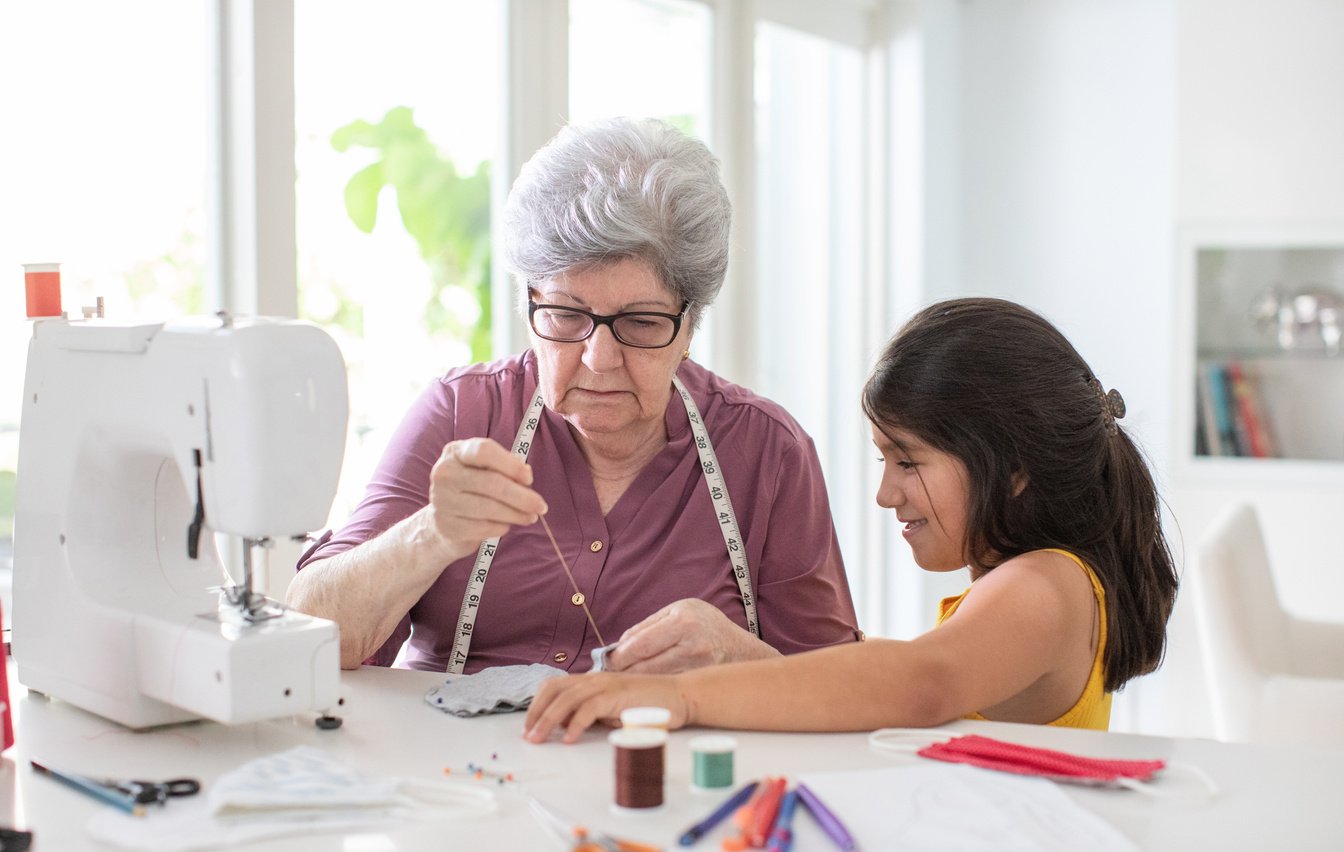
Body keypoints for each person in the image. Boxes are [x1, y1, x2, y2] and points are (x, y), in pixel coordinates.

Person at [285, 117, 860, 675]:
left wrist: (742, 661)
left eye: (639, 322)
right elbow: (309, 637)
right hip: (456, 769)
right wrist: (433, 532)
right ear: (528, 305)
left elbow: (838, 690)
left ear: (689, 326)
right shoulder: (462, 413)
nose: (598, 359)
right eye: (565, 315)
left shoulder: (766, 452)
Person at [523, 298, 1179, 741]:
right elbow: (899, 690)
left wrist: (685, 699)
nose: (886, 494)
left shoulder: (1045, 587)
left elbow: (921, 684)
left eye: (908, 461)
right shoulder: (1033, 581)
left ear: (1012, 467)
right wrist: (753, 659)